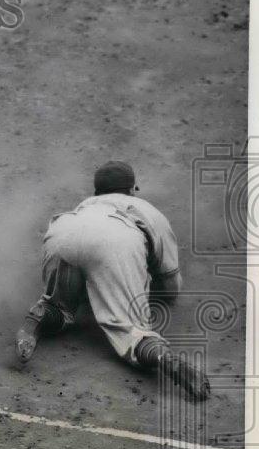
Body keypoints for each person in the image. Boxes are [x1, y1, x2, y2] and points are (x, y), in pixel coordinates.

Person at [14, 160, 210, 401]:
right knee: (132, 330)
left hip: (61, 232)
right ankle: (165, 359)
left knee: (60, 306)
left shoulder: (86, 204)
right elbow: (171, 287)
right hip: (115, 241)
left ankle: (41, 315)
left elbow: (87, 251)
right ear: (132, 190)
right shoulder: (146, 209)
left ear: (97, 191)